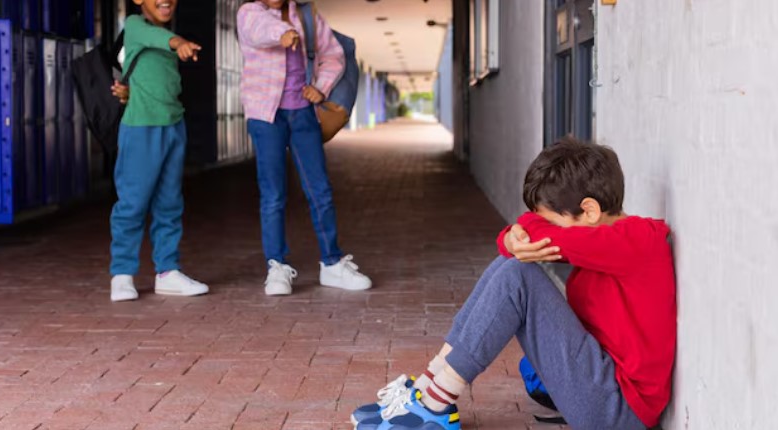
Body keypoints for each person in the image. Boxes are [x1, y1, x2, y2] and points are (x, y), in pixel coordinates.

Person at [352, 139, 677, 430]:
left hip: (617, 411)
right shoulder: (605, 241)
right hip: (601, 387)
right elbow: (525, 229)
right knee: (512, 264)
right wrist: (511, 239)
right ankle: (430, 386)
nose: (549, 229)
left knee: (519, 275)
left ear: (589, 211)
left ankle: (435, 403)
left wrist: (514, 237)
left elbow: (529, 230)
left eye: (554, 221)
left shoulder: (637, 242)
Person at [236, 0, 372, 296]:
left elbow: (334, 55)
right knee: (273, 195)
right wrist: (283, 34)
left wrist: (320, 87)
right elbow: (259, 31)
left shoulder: (308, 16)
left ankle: (332, 264)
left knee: (319, 190)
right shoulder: (249, 13)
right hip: (265, 115)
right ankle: (277, 267)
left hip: (302, 114)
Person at [108, 0, 209, 302]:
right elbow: (158, 39)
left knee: (169, 204)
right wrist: (178, 43)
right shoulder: (136, 26)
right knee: (133, 204)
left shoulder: (166, 32)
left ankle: (167, 271)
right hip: (141, 129)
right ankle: (122, 275)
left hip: (173, 125)